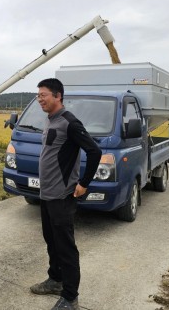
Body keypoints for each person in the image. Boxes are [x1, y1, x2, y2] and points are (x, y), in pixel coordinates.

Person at [30, 78, 102, 310]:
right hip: (47, 194)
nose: (40, 99)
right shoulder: (51, 121)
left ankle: (70, 296)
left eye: (44, 95)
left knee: (65, 246)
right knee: (51, 240)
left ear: (58, 96)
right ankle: (55, 280)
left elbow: (94, 151)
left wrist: (84, 183)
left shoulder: (70, 122)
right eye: (38, 95)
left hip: (62, 196)